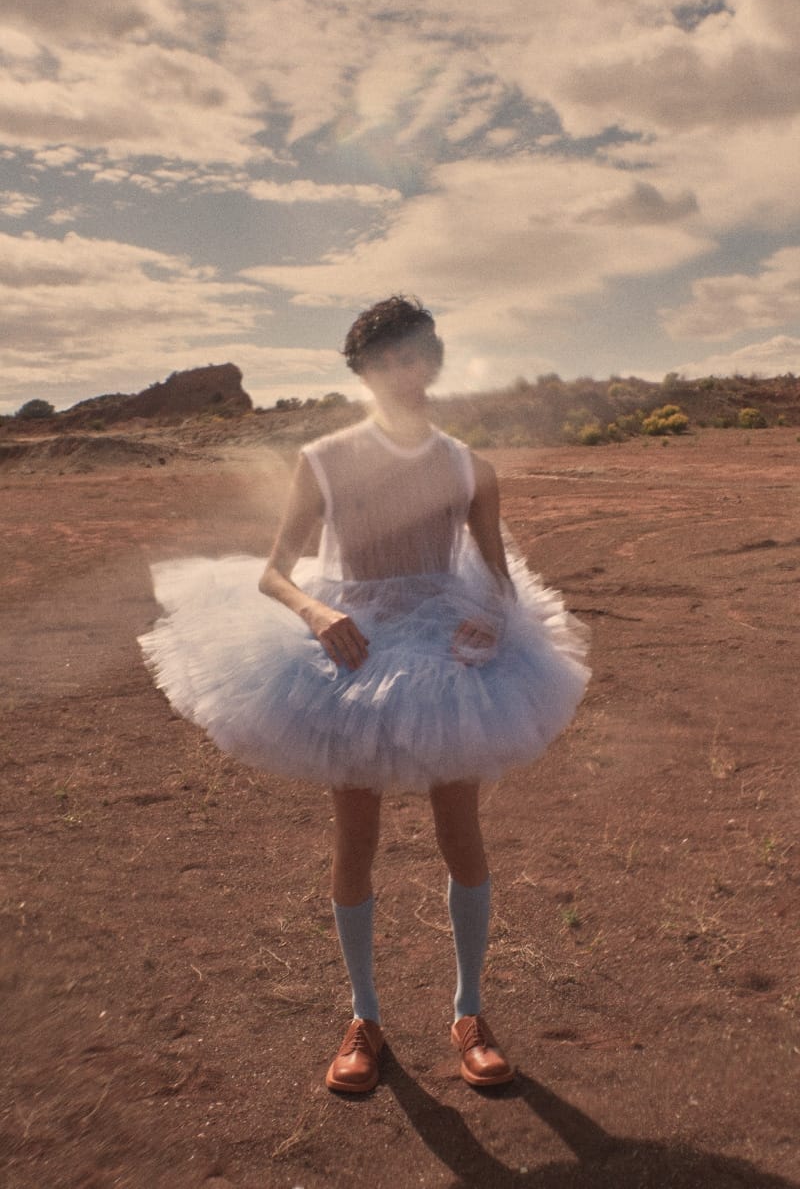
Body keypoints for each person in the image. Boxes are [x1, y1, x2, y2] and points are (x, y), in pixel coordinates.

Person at [139, 295, 589, 1095]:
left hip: (446, 655)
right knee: (355, 838)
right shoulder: (324, 458)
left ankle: (470, 1014)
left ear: (434, 362)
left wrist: (491, 620)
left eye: (414, 356)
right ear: (364, 372)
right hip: (351, 651)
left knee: (461, 833)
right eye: (385, 361)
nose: (402, 372)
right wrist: (316, 612)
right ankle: (364, 1019)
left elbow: (497, 575)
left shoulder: (468, 466)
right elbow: (274, 571)